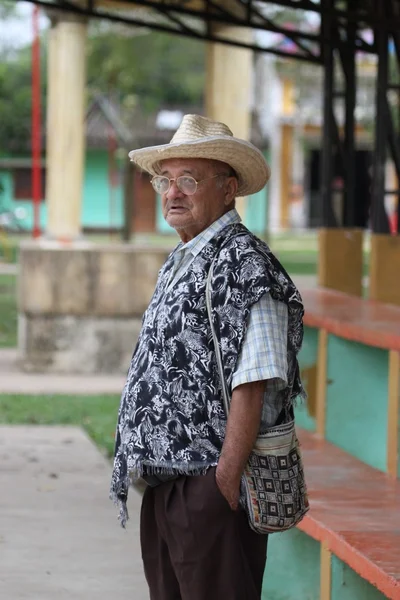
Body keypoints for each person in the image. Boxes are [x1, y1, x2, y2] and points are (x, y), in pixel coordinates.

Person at [110, 114, 305, 600]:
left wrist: (223, 482)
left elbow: (255, 381)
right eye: (165, 179)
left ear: (227, 188)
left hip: (209, 486)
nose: (173, 192)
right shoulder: (185, 257)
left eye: (189, 180)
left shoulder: (246, 264)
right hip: (169, 484)